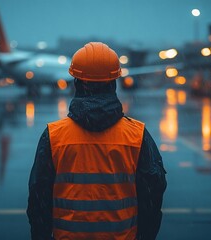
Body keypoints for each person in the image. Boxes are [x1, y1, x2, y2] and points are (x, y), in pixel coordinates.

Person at [27, 42, 167, 240]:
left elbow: (38, 201)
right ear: (114, 82)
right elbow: (152, 196)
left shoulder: (53, 136)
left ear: (76, 82)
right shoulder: (137, 136)